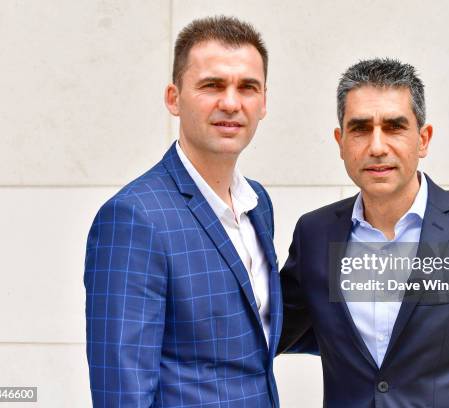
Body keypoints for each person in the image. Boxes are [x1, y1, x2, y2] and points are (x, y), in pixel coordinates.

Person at [278, 58, 449, 407]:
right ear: (341, 141)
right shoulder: (314, 235)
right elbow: (265, 334)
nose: (377, 146)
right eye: (360, 128)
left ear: (423, 139)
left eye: (394, 127)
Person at [84, 16, 282, 407]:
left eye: (247, 87)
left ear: (263, 103)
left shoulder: (257, 204)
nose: (231, 102)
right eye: (212, 85)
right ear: (174, 98)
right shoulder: (134, 219)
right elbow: (121, 392)